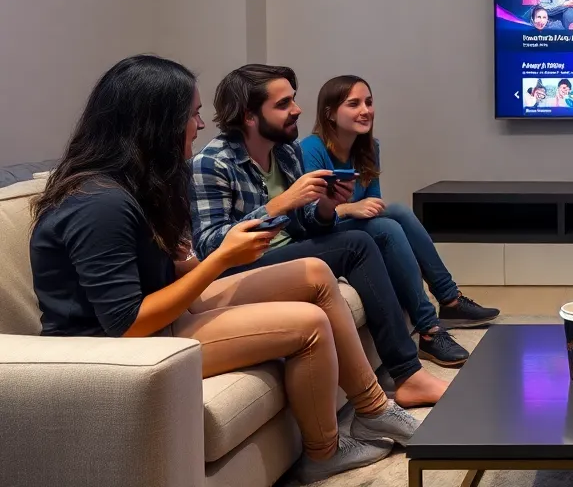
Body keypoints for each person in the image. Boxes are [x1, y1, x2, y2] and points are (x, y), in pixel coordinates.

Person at [29, 56, 419, 483]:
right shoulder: (99, 203)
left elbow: (163, 267)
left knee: (314, 272)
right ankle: (322, 453)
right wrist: (219, 258)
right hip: (117, 348)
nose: (200, 125)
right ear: (155, 124)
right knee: (308, 323)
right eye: (192, 115)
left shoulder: (137, 183)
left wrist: (186, 259)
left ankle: (375, 409)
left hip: (164, 314)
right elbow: (127, 324)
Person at [190, 64, 454, 403]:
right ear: (249, 116)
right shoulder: (212, 163)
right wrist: (280, 204)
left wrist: (327, 207)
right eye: (283, 104)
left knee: (374, 232)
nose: (297, 110)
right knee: (356, 243)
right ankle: (408, 373)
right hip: (243, 267)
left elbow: (303, 226)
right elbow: (210, 248)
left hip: (288, 249)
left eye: (294, 100)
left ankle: (413, 357)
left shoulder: (285, 152)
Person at [300, 75, 500, 362]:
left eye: (368, 102)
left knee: (398, 213)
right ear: (330, 113)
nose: (365, 110)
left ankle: (450, 299)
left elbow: (376, 204)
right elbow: (308, 215)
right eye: (353, 104)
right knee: (388, 226)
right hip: (324, 232)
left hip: (356, 229)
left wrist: (362, 209)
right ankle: (430, 330)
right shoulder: (311, 149)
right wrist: (350, 209)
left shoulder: (369, 148)